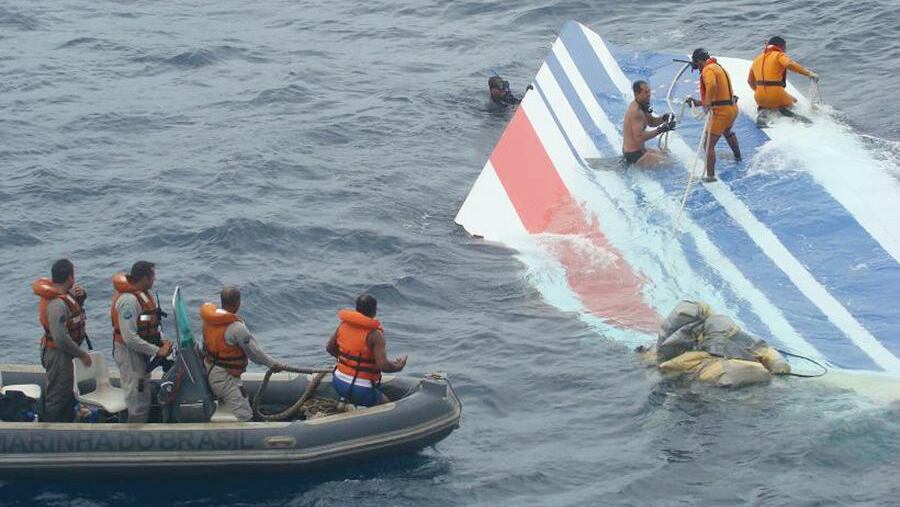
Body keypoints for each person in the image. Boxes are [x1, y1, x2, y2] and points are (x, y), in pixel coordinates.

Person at [201, 286, 286, 422]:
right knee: (245, 414)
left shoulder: (209, 321)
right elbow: (254, 353)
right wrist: (273, 364)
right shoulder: (236, 328)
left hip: (210, 370)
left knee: (242, 400)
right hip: (224, 379)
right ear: (237, 303)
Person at [110, 261, 172, 423]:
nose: (154, 280)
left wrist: (161, 343)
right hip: (128, 353)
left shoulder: (143, 296)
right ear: (145, 277)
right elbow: (129, 337)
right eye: (153, 276)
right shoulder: (129, 301)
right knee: (136, 394)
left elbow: (149, 323)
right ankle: (133, 433)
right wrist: (157, 351)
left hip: (141, 352)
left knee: (142, 390)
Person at [32, 259, 92, 422]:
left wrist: (80, 300)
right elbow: (60, 338)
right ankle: (51, 431)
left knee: (65, 391)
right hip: (58, 354)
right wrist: (81, 355)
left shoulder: (65, 297)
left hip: (64, 353)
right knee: (58, 395)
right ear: (70, 278)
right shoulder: (57, 304)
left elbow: (72, 316)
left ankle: (65, 422)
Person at [325, 294, 406, 407]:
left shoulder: (343, 325)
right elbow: (382, 365)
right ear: (374, 311)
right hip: (360, 389)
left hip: (338, 382)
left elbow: (330, 348)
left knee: (358, 393)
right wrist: (398, 366)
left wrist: (347, 362)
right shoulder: (375, 334)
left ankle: (347, 403)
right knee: (387, 405)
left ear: (357, 309)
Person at [686, 48, 742, 182]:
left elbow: (711, 85)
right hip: (732, 109)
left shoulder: (708, 69)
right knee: (727, 132)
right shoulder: (718, 67)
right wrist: (699, 103)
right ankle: (738, 157)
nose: (698, 69)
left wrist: (707, 104)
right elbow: (720, 96)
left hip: (722, 112)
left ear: (699, 61)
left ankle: (710, 176)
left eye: (697, 65)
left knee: (708, 145)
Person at [748, 36, 818, 124]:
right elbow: (789, 64)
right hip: (777, 96)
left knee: (774, 100)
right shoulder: (778, 55)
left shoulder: (756, 59)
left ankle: (763, 111)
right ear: (779, 46)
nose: (785, 51)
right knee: (795, 102)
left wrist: (760, 91)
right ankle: (785, 111)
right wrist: (809, 73)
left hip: (759, 98)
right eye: (784, 48)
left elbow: (750, 81)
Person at [622, 80, 677, 166]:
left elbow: (651, 122)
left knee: (667, 155)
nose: (649, 94)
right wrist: (661, 130)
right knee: (669, 164)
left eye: (649, 91)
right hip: (634, 155)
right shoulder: (635, 111)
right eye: (646, 92)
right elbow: (639, 137)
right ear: (637, 94)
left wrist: (664, 118)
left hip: (640, 149)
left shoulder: (643, 105)